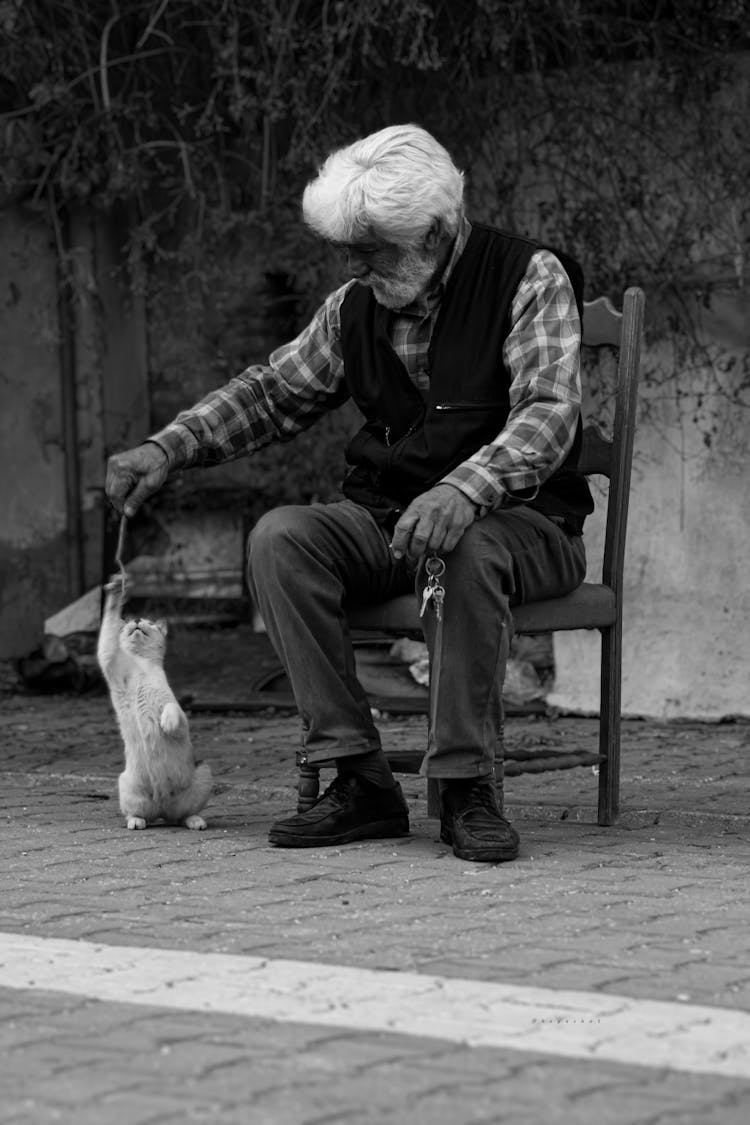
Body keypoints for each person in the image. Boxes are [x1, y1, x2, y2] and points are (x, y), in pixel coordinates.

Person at [106, 123, 593, 864]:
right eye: (350, 248)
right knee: (281, 538)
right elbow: (272, 393)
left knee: (464, 544)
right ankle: (358, 776)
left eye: (373, 247)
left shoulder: (531, 278)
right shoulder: (355, 304)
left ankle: (467, 786)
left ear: (434, 229)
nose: (356, 264)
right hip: (391, 522)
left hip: (522, 527)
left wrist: (465, 489)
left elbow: (549, 412)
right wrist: (167, 447)